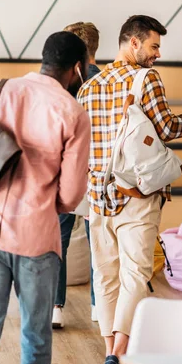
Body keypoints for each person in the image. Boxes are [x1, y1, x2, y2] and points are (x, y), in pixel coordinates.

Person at [77, 15, 182, 364]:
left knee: (105, 276)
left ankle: (110, 352)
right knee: (135, 273)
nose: (157, 54)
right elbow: (165, 127)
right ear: (133, 43)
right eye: (153, 46)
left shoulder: (89, 87)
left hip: (98, 195)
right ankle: (117, 355)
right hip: (137, 193)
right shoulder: (145, 77)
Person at [0, 31, 91, 364]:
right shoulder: (72, 112)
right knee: (36, 336)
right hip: (36, 241)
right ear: (78, 68)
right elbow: (71, 194)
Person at [52, 21, 101, 329]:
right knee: (99, 239)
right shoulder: (108, 79)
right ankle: (99, 305)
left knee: (59, 239)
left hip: (67, 168)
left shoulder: (63, 81)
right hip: (99, 170)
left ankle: (56, 307)